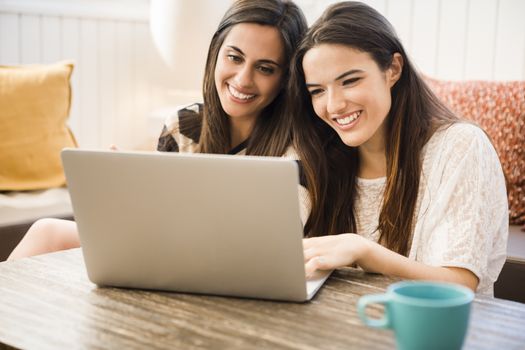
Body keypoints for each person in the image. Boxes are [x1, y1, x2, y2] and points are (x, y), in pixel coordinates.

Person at [8, 0, 308, 260]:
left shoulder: (297, 149)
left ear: (285, 78)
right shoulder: (183, 124)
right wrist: (125, 193)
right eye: (234, 57)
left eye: (265, 68)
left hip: (236, 265)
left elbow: (278, 247)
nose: (243, 79)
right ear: (216, 52)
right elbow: (154, 227)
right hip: (167, 254)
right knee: (46, 230)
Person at [288, 1, 508, 295]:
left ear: (393, 68)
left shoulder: (461, 146)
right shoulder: (316, 154)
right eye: (317, 91)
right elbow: (272, 241)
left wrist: (363, 251)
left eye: (349, 81)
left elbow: (460, 284)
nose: (333, 105)